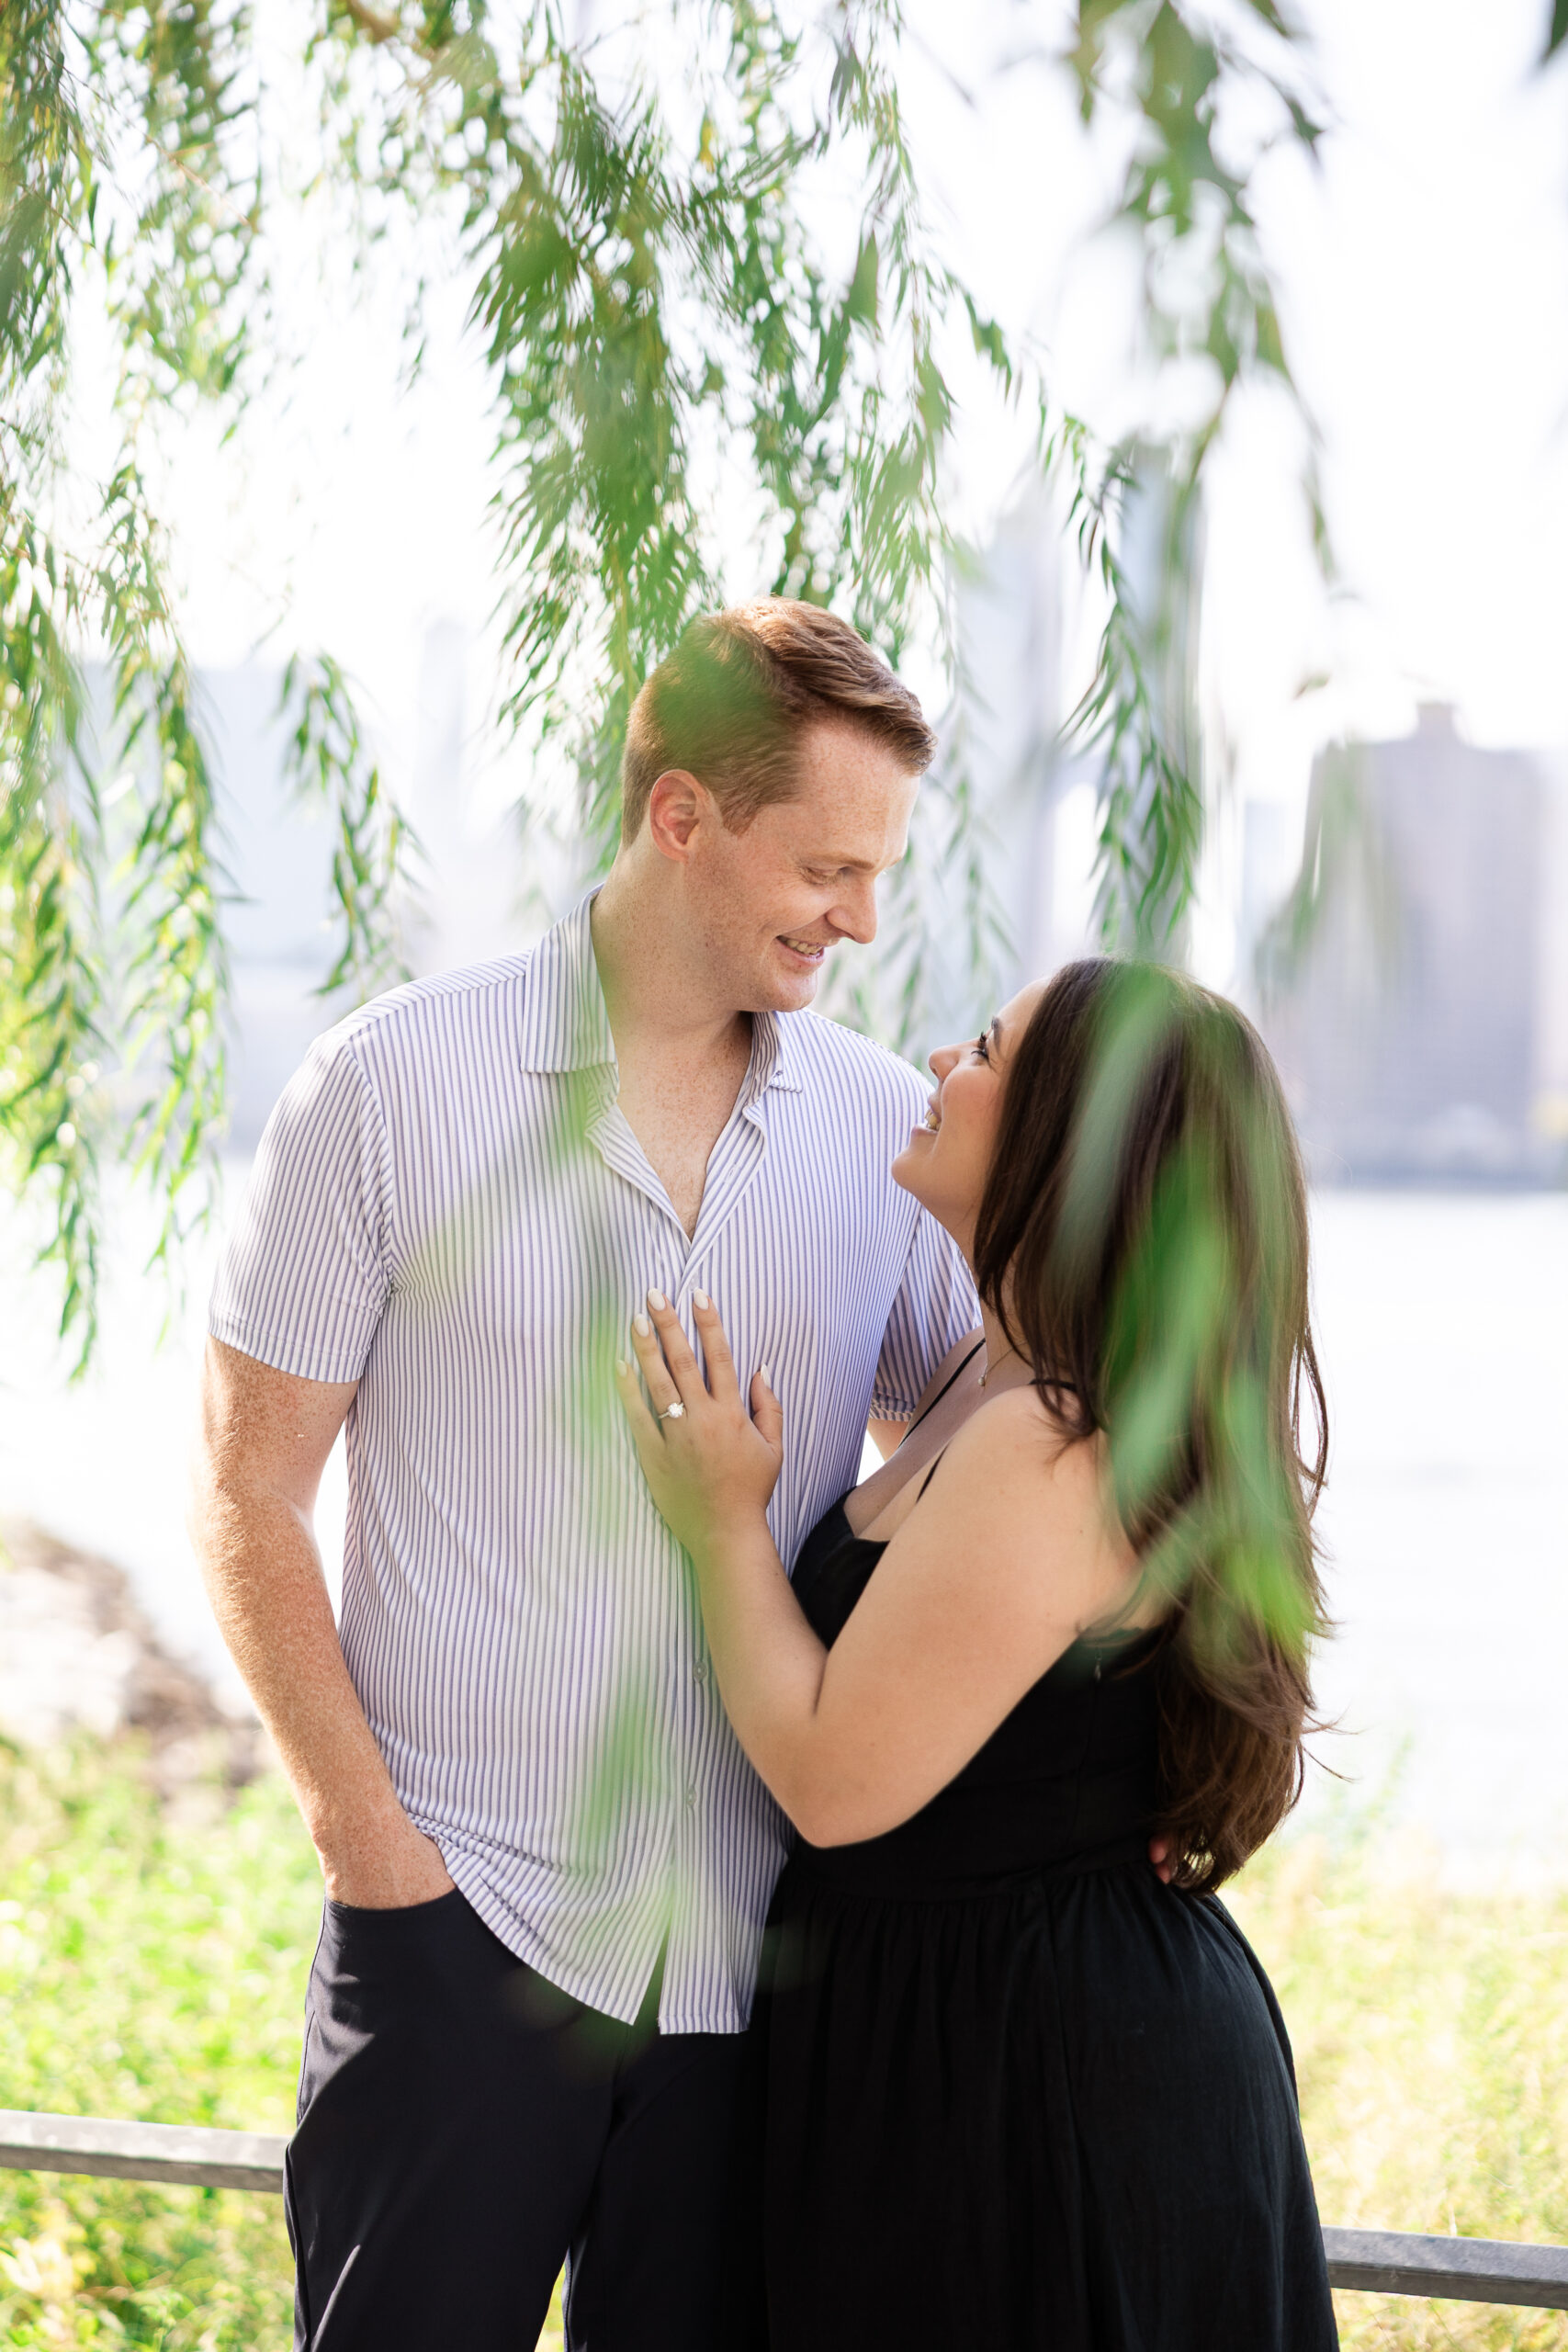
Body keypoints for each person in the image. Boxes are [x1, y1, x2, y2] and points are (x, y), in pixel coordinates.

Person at [186, 599, 985, 2352]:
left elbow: (1010, 1453)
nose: (861, 919)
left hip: (758, 1994)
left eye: (879, 874)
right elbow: (246, 1492)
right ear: (682, 815)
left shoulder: (877, 1133)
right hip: (459, 1942)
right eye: (828, 869)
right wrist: (373, 1855)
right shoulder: (392, 1089)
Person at [618, 956, 1340, 2350]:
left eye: (990, 1048)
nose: (943, 1055)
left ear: (1075, 1141)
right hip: (973, 2027)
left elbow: (835, 1779)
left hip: (1031, 2063)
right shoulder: (993, 1380)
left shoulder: (1048, 1439)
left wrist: (723, 1522)